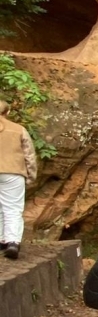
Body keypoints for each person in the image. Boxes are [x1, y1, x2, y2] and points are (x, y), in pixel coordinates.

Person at [0, 99, 38, 260]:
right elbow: (29, 155)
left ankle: (1, 239)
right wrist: (31, 175)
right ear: (7, 112)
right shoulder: (19, 130)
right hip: (13, 172)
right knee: (12, 208)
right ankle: (12, 242)